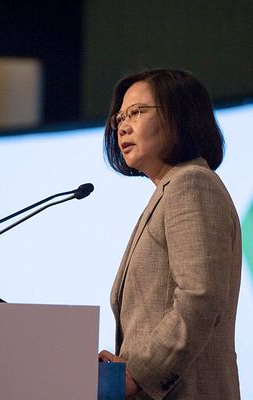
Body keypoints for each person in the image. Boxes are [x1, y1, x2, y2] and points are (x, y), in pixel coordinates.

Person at [98, 69, 241, 399]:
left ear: (180, 116)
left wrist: (138, 374)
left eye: (137, 112)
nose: (123, 126)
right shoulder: (169, 190)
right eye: (120, 118)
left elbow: (200, 295)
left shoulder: (192, 184)